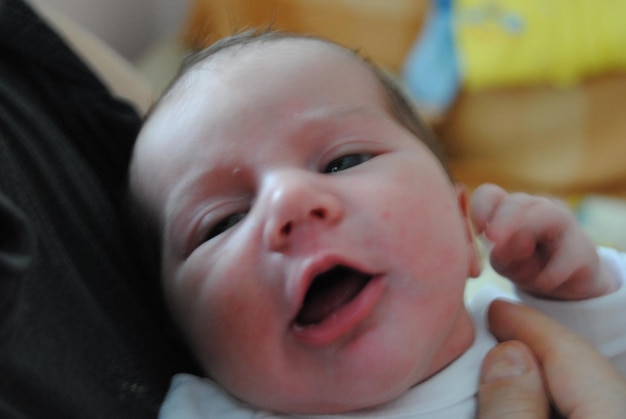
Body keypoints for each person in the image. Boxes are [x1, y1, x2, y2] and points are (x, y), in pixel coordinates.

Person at [129, 30, 626, 418]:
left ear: (461, 226)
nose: (290, 200)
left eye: (343, 162)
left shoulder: (529, 336)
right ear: (178, 329)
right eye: (222, 222)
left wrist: (581, 295)